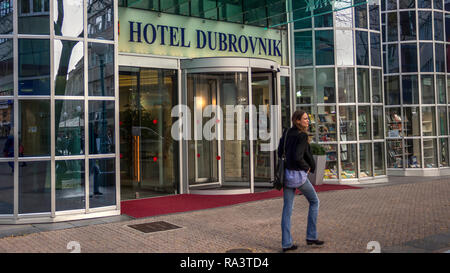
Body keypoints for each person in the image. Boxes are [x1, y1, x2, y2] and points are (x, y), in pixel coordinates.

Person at [278, 110, 323, 252]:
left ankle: (286, 244)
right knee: (315, 201)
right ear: (297, 121)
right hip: (298, 176)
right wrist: (307, 167)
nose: (307, 121)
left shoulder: (286, 133)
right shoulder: (302, 135)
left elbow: (280, 152)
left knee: (287, 210)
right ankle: (311, 236)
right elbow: (298, 156)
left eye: (308, 118)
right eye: (305, 119)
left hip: (286, 175)